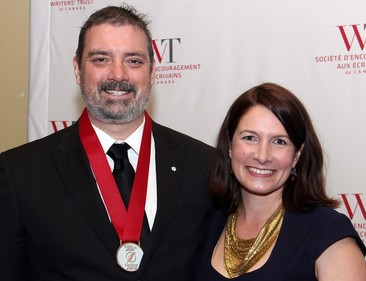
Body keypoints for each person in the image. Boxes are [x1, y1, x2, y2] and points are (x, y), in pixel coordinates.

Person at [0, 4, 213, 281]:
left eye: (133, 61)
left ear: (152, 71)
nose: (118, 74)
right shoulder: (19, 173)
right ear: (78, 69)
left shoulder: (203, 165)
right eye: (101, 59)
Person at [195, 83, 366, 280]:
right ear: (229, 146)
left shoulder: (326, 232)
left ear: (297, 155)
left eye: (279, 141)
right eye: (250, 137)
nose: (262, 156)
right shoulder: (208, 220)